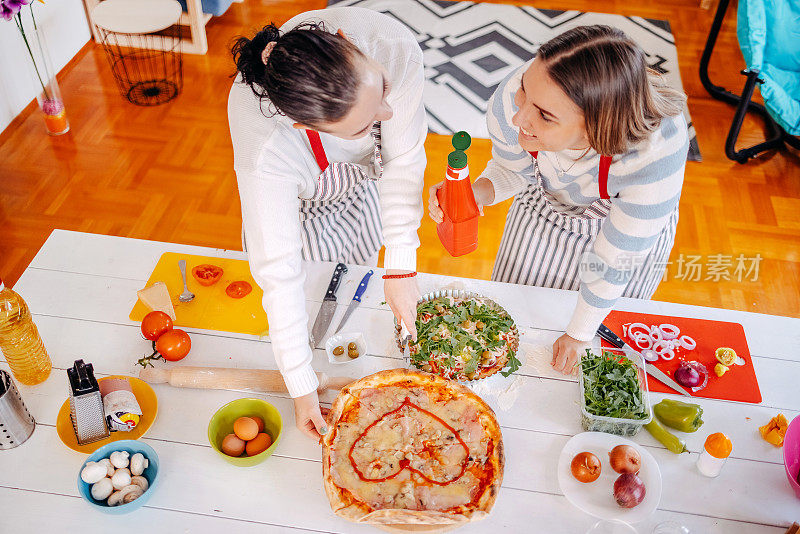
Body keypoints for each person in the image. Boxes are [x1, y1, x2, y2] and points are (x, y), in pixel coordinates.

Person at [429, 25, 689, 375]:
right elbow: (513, 168)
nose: (520, 118)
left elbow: (614, 260)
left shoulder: (655, 151)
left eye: (545, 117)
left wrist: (579, 333)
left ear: (596, 127)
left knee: (595, 343)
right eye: (525, 92)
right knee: (515, 321)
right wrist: (474, 195)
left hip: (622, 236)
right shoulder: (523, 94)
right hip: (542, 209)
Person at [228, 7, 426, 440]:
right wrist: (301, 386)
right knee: (313, 306)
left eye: (382, 91)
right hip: (304, 209)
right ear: (303, 126)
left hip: (362, 189)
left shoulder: (391, 46)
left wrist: (400, 266)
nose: (388, 115)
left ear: (348, 42)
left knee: (359, 285)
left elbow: (402, 161)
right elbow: (279, 274)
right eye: (365, 126)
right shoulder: (267, 145)